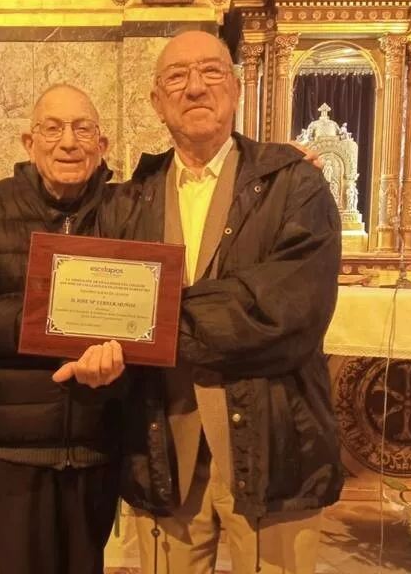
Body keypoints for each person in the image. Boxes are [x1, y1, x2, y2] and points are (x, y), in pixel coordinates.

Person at [91, 31, 344, 574]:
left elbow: (287, 313)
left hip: (272, 443)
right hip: (162, 444)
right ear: (157, 102)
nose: (195, 88)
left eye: (210, 72)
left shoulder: (294, 184)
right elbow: (97, 302)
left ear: (234, 88)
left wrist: (152, 322)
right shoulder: (128, 200)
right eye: (176, 77)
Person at [0, 84, 125, 574]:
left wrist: (277, 172)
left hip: (101, 439)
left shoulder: (131, 208)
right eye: (51, 128)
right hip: (15, 447)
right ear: (28, 142)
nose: (68, 142)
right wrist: (45, 319)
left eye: (83, 128)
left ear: (103, 145)